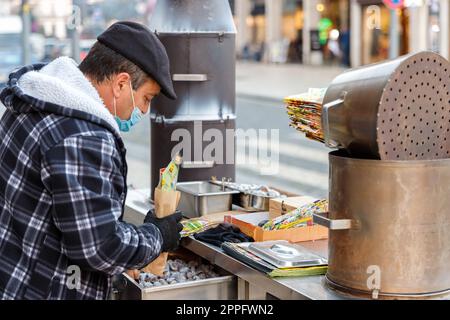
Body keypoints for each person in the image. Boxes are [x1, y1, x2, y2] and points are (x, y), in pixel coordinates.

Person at [0, 21, 182, 300]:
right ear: (121, 83)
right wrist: (157, 236)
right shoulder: (84, 137)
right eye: (147, 98)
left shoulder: (33, 101)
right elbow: (99, 247)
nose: (144, 111)